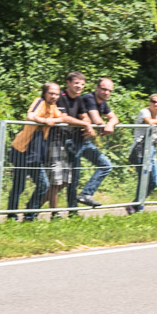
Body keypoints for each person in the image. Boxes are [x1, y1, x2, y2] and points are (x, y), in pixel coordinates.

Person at [7, 82, 62, 221]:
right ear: (44, 93)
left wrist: (54, 121)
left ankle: (29, 213)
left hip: (35, 152)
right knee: (19, 186)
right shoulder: (40, 102)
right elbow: (30, 116)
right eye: (51, 93)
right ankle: (11, 215)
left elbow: (62, 117)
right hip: (21, 149)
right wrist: (45, 120)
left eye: (56, 94)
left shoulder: (53, 107)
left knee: (43, 184)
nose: (54, 96)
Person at [127, 93, 157, 214]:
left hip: (152, 149)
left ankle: (136, 204)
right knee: (143, 178)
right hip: (140, 149)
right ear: (149, 102)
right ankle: (138, 207)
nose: (156, 104)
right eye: (154, 101)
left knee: (154, 181)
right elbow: (149, 121)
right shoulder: (145, 111)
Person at [56, 72, 96, 215]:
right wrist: (86, 125)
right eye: (76, 83)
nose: (79, 86)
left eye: (82, 84)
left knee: (74, 177)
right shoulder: (60, 96)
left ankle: (73, 210)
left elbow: (85, 116)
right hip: (58, 141)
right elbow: (64, 117)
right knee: (57, 180)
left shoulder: (78, 99)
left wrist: (87, 125)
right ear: (68, 83)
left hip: (74, 142)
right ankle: (35, 209)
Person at [75, 77, 118, 207]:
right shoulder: (89, 98)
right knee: (72, 177)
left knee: (106, 165)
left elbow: (114, 118)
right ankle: (33, 210)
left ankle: (85, 194)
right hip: (73, 140)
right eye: (104, 89)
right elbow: (96, 119)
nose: (106, 93)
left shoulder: (103, 102)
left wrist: (110, 124)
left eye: (109, 91)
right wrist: (104, 124)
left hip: (85, 141)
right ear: (97, 88)